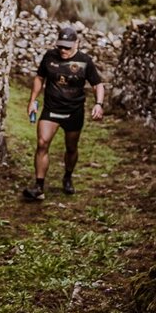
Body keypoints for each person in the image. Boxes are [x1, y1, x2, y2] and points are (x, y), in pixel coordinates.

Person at [23, 26, 105, 200]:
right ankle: (39, 187)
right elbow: (40, 77)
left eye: (67, 47)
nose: (63, 50)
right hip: (52, 108)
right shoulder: (50, 56)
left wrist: (99, 104)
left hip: (74, 111)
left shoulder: (85, 61)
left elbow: (97, 84)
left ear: (76, 44)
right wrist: (32, 101)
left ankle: (67, 177)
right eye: (60, 46)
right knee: (42, 143)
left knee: (71, 148)